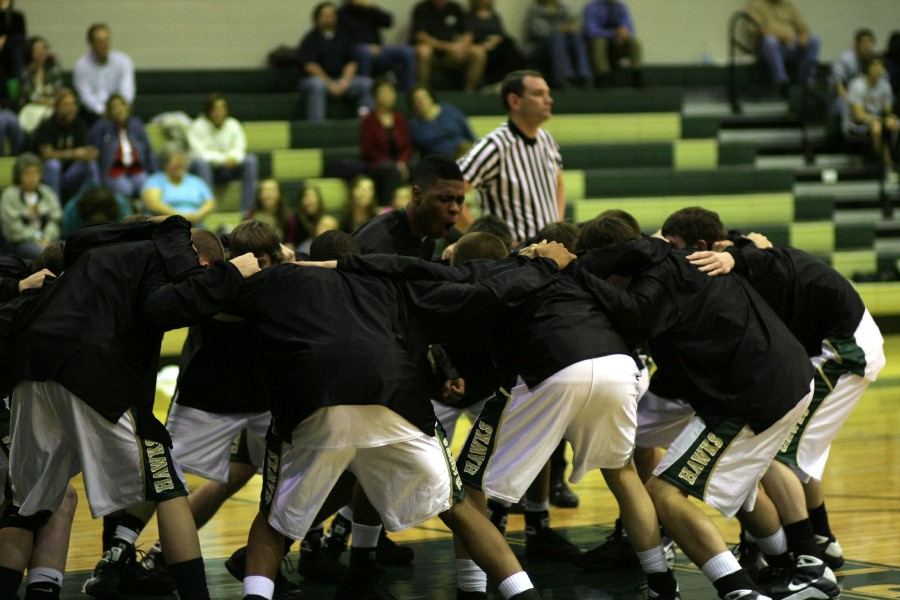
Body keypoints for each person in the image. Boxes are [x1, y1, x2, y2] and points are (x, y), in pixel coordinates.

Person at [232, 229, 571, 600]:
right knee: (457, 507)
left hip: (315, 398)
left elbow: (209, 302)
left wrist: (229, 272)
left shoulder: (278, 279)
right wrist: (540, 265)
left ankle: (307, 575)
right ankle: (523, 594)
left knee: (271, 523)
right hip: (393, 394)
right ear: (358, 256)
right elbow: (476, 290)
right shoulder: (387, 280)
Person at [576, 212, 839, 600]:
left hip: (754, 393)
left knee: (664, 494)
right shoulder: (675, 264)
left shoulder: (662, 273)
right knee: (743, 486)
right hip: (779, 381)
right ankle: (802, 566)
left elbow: (636, 313)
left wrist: (576, 273)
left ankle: (739, 590)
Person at [1, 216, 259, 600]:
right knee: (167, 486)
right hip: (89, 369)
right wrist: (230, 276)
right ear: (202, 262)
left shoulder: (103, 246)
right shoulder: (160, 258)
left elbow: (77, 240)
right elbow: (163, 306)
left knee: (26, 504)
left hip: (31, 370)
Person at [685, 217, 885, 572]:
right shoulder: (748, 249)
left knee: (776, 450)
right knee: (799, 450)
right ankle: (821, 539)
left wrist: (735, 257)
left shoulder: (755, 259)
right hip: (833, 344)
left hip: (843, 348)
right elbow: (753, 248)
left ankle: (805, 553)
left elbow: (761, 256)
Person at [457, 70, 563, 243]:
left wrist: (556, 227)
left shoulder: (547, 139)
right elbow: (448, 193)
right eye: (538, 94)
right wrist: (485, 241)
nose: (549, 100)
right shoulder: (494, 146)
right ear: (515, 101)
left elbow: (559, 184)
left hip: (547, 253)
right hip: (514, 260)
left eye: (548, 94)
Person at [297, 2, 375, 123]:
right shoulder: (310, 39)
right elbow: (310, 66)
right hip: (319, 81)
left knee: (367, 83)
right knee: (316, 85)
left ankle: (367, 123)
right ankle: (317, 126)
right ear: (317, 18)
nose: (329, 18)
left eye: (332, 15)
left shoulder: (345, 37)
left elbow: (351, 62)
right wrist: (329, 84)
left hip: (341, 80)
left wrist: (344, 82)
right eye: (325, 15)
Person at [188, 94, 259, 212]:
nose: (219, 112)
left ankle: (246, 210)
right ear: (208, 110)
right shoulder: (197, 126)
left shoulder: (233, 124)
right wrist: (224, 159)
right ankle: (209, 209)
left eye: (222, 108)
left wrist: (234, 158)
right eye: (215, 108)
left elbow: (240, 148)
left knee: (251, 160)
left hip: (228, 169)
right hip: (205, 170)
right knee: (201, 163)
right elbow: (199, 153)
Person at [32, 87, 100, 201]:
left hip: (70, 174)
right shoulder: (47, 125)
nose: (70, 109)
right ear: (57, 108)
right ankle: (55, 208)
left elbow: (84, 149)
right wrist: (72, 154)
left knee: (91, 165)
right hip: (48, 174)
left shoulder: (79, 124)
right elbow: (46, 155)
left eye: (73, 105)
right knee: (53, 165)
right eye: (66, 105)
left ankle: (95, 204)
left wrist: (90, 154)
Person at [745, 0, 820, 97]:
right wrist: (782, 35)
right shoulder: (757, 5)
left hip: (790, 45)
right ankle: (781, 82)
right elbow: (755, 29)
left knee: (814, 41)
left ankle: (806, 80)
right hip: (767, 48)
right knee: (770, 41)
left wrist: (804, 36)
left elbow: (803, 27)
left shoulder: (788, 5)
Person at [89, 93, 157, 199]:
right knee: (126, 189)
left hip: (137, 170)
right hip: (114, 172)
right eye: (114, 107)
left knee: (146, 185)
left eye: (121, 105)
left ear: (127, 108)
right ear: (109, 111)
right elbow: (95, 152)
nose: (118, 110)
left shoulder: (136, 125)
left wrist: (155, 174)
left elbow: (148, 150)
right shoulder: (102, 127)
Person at [842, 56, 899, 182]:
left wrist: (890, 118)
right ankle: (882, 164)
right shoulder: (858, 85)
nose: (879, 69)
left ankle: (895, 159)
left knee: (894, 124)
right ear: (868, 68)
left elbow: (887, 110)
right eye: (875, 66)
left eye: (881, 66)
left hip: (878, 120)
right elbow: (858, 115)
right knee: (877, 128)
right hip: (855, 124)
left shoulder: (884, 85)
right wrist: (880, 120)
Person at [337, 0, 416, 92]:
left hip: (379, 49)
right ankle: (367, 92)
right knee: (364, 51)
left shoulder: (369, 10)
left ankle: (406, 92)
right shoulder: (342, 14)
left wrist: (372, 6)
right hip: (356, 51)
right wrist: (368, 46)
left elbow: (388, 22)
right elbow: (343, 40)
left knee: (407, 51)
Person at [409, 0, 486, 91]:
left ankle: (469, 92)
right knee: (424, 51)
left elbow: (467, 33)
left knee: (478, 52)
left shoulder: (455, 8)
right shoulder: (422, 8)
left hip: (450, 54)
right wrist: (447, 47)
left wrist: (461, 47)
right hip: (433, 53)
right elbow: (420, 36)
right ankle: (423, 90)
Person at [360, 79, 414, 206]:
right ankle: (389, 208)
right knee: (391, 170)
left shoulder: (400, 118)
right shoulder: (369, 120)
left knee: (417, 167)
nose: (387, 96)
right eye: (383, 92)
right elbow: (368, 149)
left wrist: (401, 162)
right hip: (377, 164)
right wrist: (395, 165)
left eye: (390, 92)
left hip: (400, 163)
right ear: (375, 97)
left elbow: (407, 146)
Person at [0, 152, 61, 260]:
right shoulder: (9, 196)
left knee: (66, 251)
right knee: (45, 255)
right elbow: (12, 229)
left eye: (35, 173)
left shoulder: (47, 192)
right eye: (27, 173)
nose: (32, 178)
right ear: (19, 175)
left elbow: (55, 219)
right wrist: (38, 237)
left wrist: (46, 237)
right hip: (21, 242)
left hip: (48, 239)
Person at [141, 143, 216, 226]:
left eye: (182, 161)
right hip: (166, 226)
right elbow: (154, 204)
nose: (180, 164)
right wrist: (180, 217)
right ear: (166, 163)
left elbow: (210, 202)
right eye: (176, 161)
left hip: (195, 225)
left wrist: (198, 215)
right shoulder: (155, 180)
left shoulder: (196, 181)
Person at [72, 23, 135, 121]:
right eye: (100, 42)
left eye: (107, 41)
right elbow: (86, 97)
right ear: (91, 44)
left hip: (120, 112)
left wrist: (118, 110)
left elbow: (127, 92)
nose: (105, 45)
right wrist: (104, 112)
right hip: (92, 115)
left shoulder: (123, 61)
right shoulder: (81, 66)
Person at [524, 0, 592, 89]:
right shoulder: (535, 9)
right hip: (539, 46)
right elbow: (540, 31)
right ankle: (563, 78)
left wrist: (570, 28)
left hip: (563, 44)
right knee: (557, 37)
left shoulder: (562, 8)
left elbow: (571, 23)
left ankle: (585, 76)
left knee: (576, 37)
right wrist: (560, 29)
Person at [465, 0, 527, 87]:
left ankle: (516, 80)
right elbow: (470, 35)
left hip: (497, 46)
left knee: (511, 47)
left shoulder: (495, 16)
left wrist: (495, 40)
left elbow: (501, 33)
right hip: (482, 47)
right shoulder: (470, 16)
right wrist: (487, 42)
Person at [582, 0, 643, 88]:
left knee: (634, 43)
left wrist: (623, 33)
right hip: (599, 45)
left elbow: (630, 28)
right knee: (600, 42)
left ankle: (636, 76)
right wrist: (613, 33)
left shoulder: (621, 6)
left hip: (617, 44)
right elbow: (591, 31)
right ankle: (603, 77)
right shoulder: (592, 7)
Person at [407, 84, 476, 159]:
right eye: (417, 100)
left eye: (423, 98)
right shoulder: (414, 125)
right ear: (412, 104)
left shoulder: (450, 111)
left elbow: (469, 135)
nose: (421, 102)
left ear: (431, 98)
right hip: (437, 162)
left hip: (464, 155)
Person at [17, 35, 63, 134]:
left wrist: (54, 100)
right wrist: (47, 101)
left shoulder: (54, 70)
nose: (41, 52)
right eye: (37, 49)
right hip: (32, 106)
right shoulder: (26, 72)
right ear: (31, 52)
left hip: (51, 106)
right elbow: (30, 96)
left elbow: (59, 90)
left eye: (43, 49)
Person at [829, 28, 877, 119]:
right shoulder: (847, 59)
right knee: (842, 106)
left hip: (864, 97)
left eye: (869, 42)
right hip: (844, 97)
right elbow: (838, 84)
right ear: (856, 44)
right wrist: (851, 101)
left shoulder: (874, 60)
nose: (866, 46)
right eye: (863, 42)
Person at [61, 184, 133, 238]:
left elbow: (128, 233)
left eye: (103, 223)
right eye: (95, 224)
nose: (99, 228)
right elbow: (69, 238)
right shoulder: (72, 212)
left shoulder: (121, 206)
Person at [247, 179, 299, 247]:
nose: (268, 194)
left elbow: (289, 244)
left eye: (271, 190)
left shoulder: (289, 218)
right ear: (259, 195)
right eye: (265, 190)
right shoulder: (250, 216)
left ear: (279, 194)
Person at [0, 0, 25, 103]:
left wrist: (4, 38)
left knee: (16, 48)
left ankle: (20, 87)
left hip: (12, 50)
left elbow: (20, 35)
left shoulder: (17, 17)